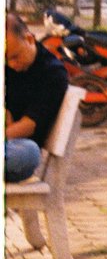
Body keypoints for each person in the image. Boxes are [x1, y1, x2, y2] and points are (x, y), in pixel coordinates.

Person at [5, 12, 68, 183]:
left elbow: (28, 126)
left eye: (15, 57)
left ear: (30, 39)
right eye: (5, 59)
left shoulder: (53, 74)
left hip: (15, 148)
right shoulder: (7, 67)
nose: (11, 64)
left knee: (28, 153)